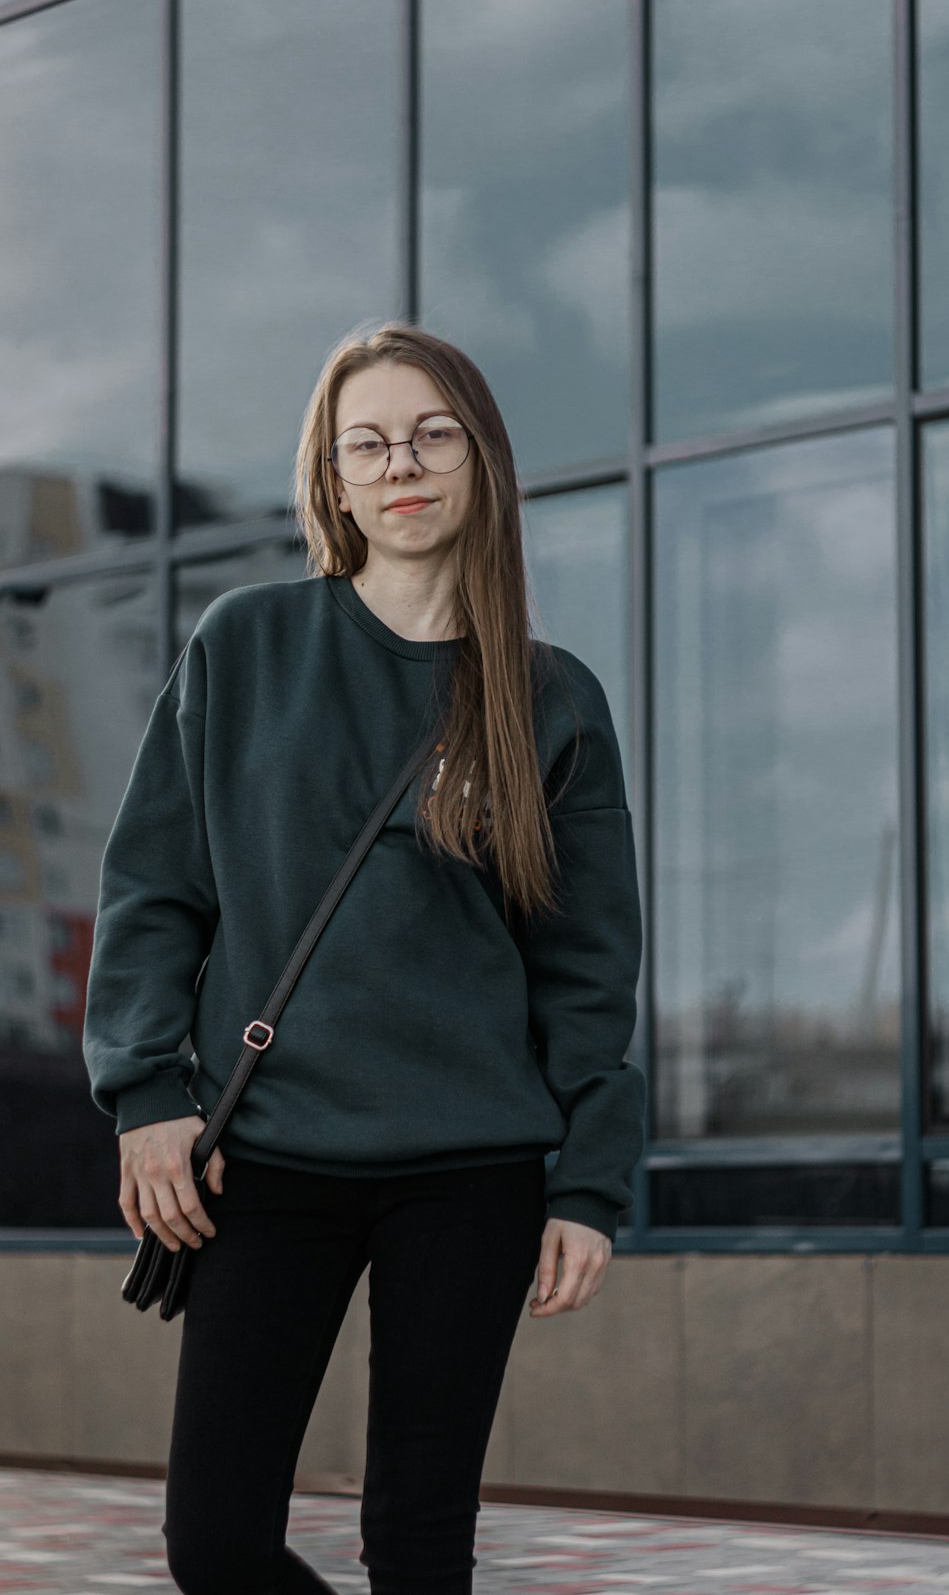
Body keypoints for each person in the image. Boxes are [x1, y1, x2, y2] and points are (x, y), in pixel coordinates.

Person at [82, 321, 647, 1595]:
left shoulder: (550, 699)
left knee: (420, 1544)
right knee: (217, 1546)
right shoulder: (247, 645)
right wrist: (146, 1098)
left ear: (482, 461)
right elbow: (154, 890)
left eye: (434, 433)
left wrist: (589, 1184)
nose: (403, 463)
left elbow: (588, 967)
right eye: (369, 443)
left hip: (473, 1173)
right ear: (333, 481)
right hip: (263, 1157)